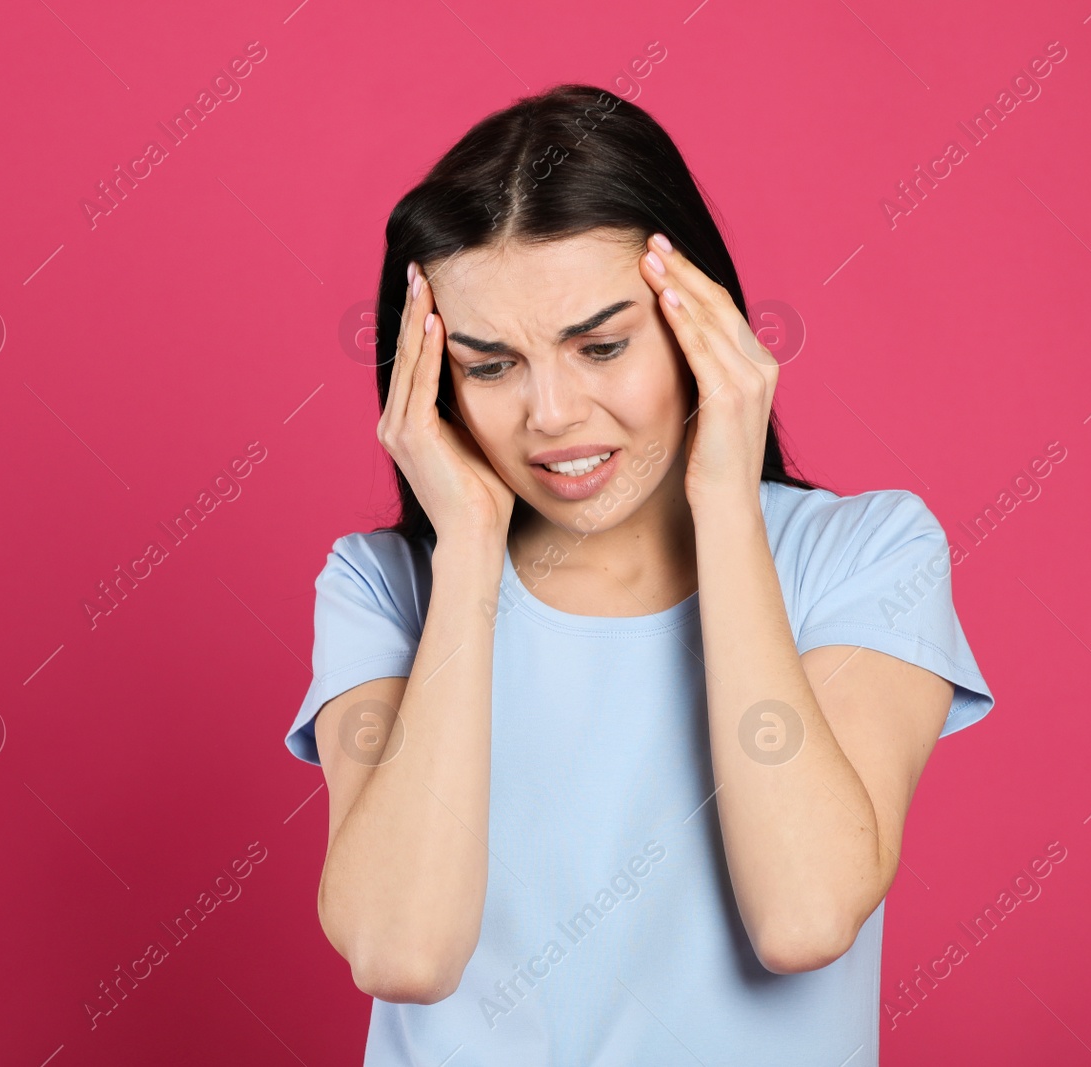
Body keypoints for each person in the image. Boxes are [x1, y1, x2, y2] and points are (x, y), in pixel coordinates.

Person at [283, 83, 995, 1066]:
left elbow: (805, 915)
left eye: (602, 345)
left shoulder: (863, 553)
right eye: (489, 365)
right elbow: (403, 950)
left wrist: (725, 502)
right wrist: (470, 555)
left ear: (698, 321)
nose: (551, 413)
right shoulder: (381, 588)